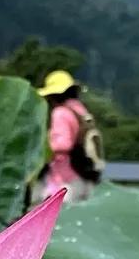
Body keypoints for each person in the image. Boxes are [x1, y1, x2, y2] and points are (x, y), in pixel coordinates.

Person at [35, 70, 105, 204]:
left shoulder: (60, 112)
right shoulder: (79, 110)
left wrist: (45, 146)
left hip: (65, 174)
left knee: (56, 211)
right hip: (82, 171)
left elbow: (63, 144)